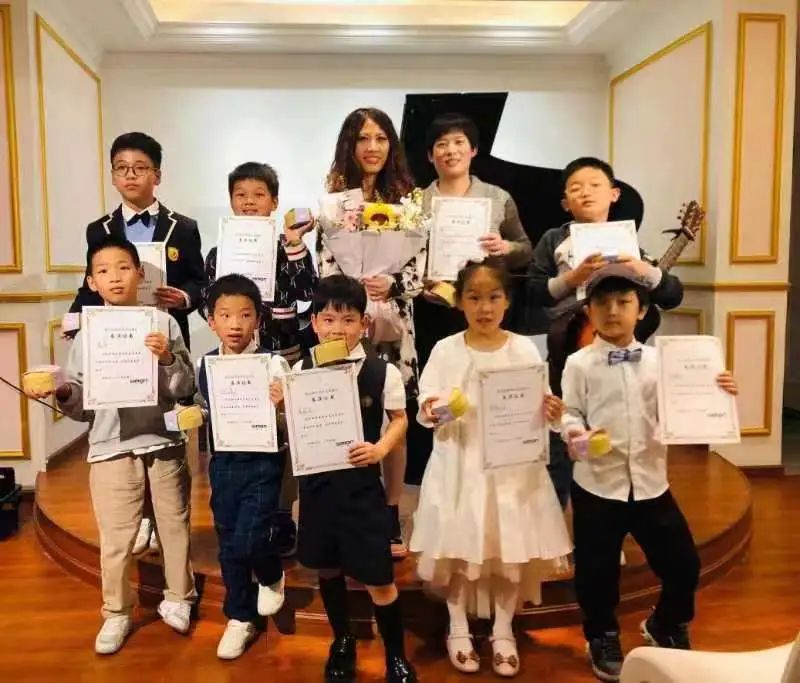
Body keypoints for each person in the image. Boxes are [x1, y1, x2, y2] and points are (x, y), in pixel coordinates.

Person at [560, 262, 738, 682]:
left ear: (641, 310)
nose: (613, 311)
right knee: (597, 571)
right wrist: (575, 433)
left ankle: (666, 622)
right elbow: (570, 411)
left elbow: (688, 404)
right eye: (603, 303)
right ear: (589, 311)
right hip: (598, 485)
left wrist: (718, 392)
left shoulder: (663, 362)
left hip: (651, 482)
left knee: (684, 564)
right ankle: (602, 634)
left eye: (623, 302)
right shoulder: (579, 364)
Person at [25, 237, 196, 654]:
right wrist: (62, 391)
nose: (115, 277)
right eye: (103, 271)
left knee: (174, 526)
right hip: (111, 444)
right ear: (92, 282)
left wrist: (167, 360)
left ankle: (180, 596)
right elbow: (82, 406)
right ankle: (117, 611)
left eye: (123, 267)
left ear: (139, 272)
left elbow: (185, 387)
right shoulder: (87, 335)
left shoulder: (164, 324)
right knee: (117, 538)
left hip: (163, 439)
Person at [410, 258, 571, 677]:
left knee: (510, 547)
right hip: (459, 464)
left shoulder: (523, 348)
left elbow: (540, 403)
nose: (484, 308)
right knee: (458, 547)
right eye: (474, 297)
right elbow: (426, 409)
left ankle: (503, 629)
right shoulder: (446, 350)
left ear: (507, 301)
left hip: (512, 468)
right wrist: (441, 408)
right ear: (460, 302)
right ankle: (458, 627)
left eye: (494, 297)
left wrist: (552, 411)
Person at [271, 275, 416, 683]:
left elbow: (400, 420)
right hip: (317, 489)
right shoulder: (301, 369)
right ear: (315, 323)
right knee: (328, 569)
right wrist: (281, 406)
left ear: (363, 324)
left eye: (348, 320)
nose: (338, 329)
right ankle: (342, 641)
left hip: (362, 490)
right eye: (329, 319)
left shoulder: (382, 372)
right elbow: (296, 429)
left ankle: (396, 656)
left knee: (379, 578)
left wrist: (380, 449)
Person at [68, 131, 207, 554]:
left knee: (164, 433)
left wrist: (183, 298)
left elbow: (199, 281)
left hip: (162, 343)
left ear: (156, 175)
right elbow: (91, 284)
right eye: (122, 168)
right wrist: (74, 320)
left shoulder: (184, 227)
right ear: (113, 175)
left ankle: (167, 515)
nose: (131, 175)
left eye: (140, 168)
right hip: (117, 347)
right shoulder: (98, 229)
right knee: (126, 434)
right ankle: (141, 517)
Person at [527, 156, 684, 509]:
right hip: (568, 349)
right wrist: (573, 278)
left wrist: (644, 269)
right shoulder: (554, 239)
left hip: (624, 360)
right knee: (561, 432)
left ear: (614, 194)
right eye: (576, 188)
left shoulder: (628, 242)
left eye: (595, 185)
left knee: (620, 429)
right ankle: (558, 517)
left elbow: (672, 296)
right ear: (565, 202)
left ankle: (618, 509)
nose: (586, 193)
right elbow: (533, 292)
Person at [408, 111, 534, 484]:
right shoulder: (416, 202)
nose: (451, 150)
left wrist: (505, 247)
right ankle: (438, 470)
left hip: (484, 309)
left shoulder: (497, 197)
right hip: (434, 310)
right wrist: (421, 280)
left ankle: (491, 462)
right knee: (436, 391)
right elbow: (406, 258)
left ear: (473, 149)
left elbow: (525, 249)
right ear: (430, 155)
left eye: (459, 142)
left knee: (485, 387)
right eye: (441, 144)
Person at [319, 107, 423, 556]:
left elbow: (419, 270)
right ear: (350, 144)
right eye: (363, 138)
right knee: (345, 417)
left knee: (393, 418)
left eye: (381, 138)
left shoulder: (408, 201)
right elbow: (326, 266)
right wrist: (353, 291)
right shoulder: (333, 202)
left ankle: (391, 512)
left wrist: (392, 283)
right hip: (346, 326)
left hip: (394, 328)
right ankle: (348, 510)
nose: (372, 147)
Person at [196, 274, 289, 659]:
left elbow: (289, 423)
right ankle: (239, 616)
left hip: (263, 463)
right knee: (229, 540)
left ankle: (271, 574)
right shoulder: (206, 364)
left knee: (251, 536)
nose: (235, 324)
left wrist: (283, 405)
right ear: (211, 320)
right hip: (223, 463)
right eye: (225, 315)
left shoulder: (274, 363)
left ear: (259, 319)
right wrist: (193, 415)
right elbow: (207, 411)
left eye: (245, 315)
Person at [202, 162, 317, 366]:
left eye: (259, 194)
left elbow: (307, 292)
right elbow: (207, 301)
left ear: (274, 202)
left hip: (284, 352)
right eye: (241, 195)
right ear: (231, 201)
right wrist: (229, 322)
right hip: (235, 354)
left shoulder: (288, 248)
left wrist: (295, 242)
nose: (249, 201)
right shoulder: (218, 255)